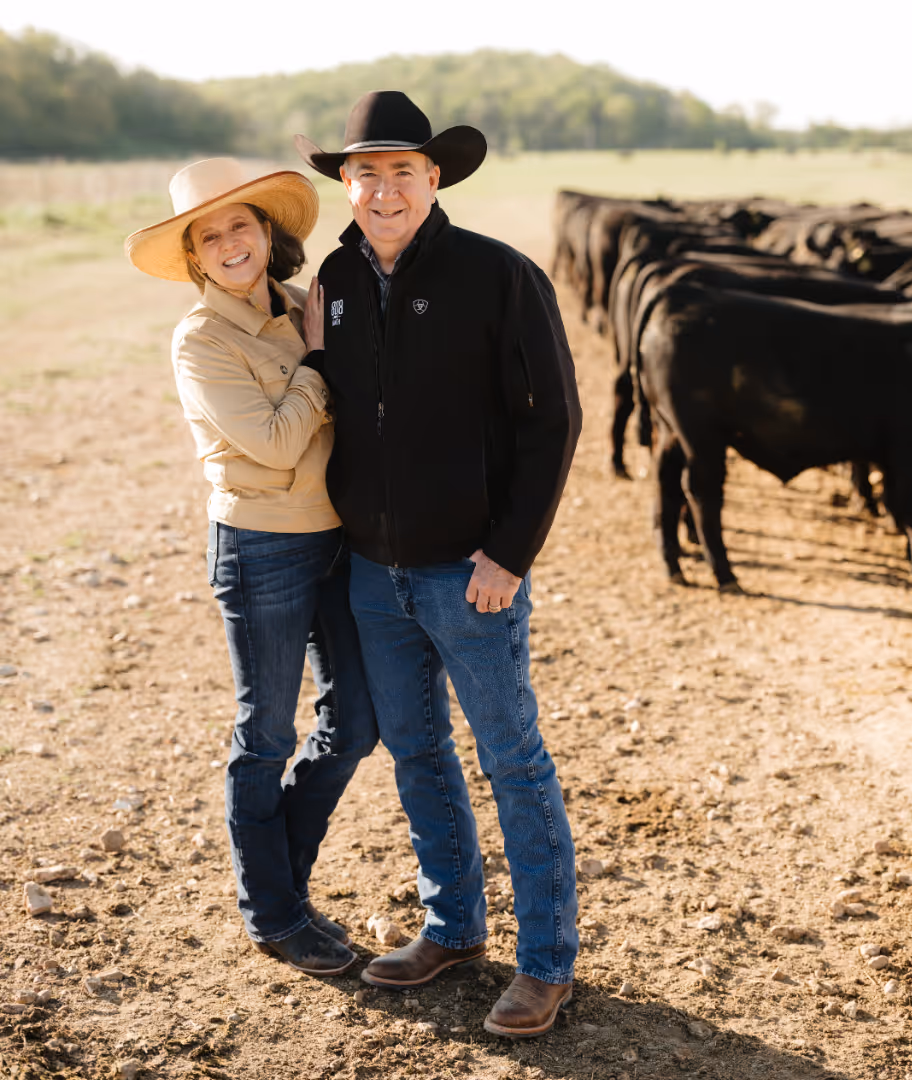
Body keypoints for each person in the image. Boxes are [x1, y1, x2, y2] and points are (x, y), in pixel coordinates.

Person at [295, 90, 582, 1038]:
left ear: (435, 177)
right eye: (366, 172)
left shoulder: (499, 275)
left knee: (512, 761)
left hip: (471, 571)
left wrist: (509, 551)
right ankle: (453, 927)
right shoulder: (332, 280)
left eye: (402, 172)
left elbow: (555, 423)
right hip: (372, 572)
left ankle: (545, 963)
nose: (384, 190)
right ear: (345, 183)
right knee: (417, 752)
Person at [124, 158, 379, 976]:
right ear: (196, 259)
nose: (231, 242)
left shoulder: (305, 308)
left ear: (267, 234)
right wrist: (315, 368)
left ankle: (284, 889)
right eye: (211, 235)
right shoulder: (200, 340)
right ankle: (273, 914)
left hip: (338, 538)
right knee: (264, 733)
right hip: (261, 546)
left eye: (242, 224)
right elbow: (271, 443)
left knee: (356, 724)